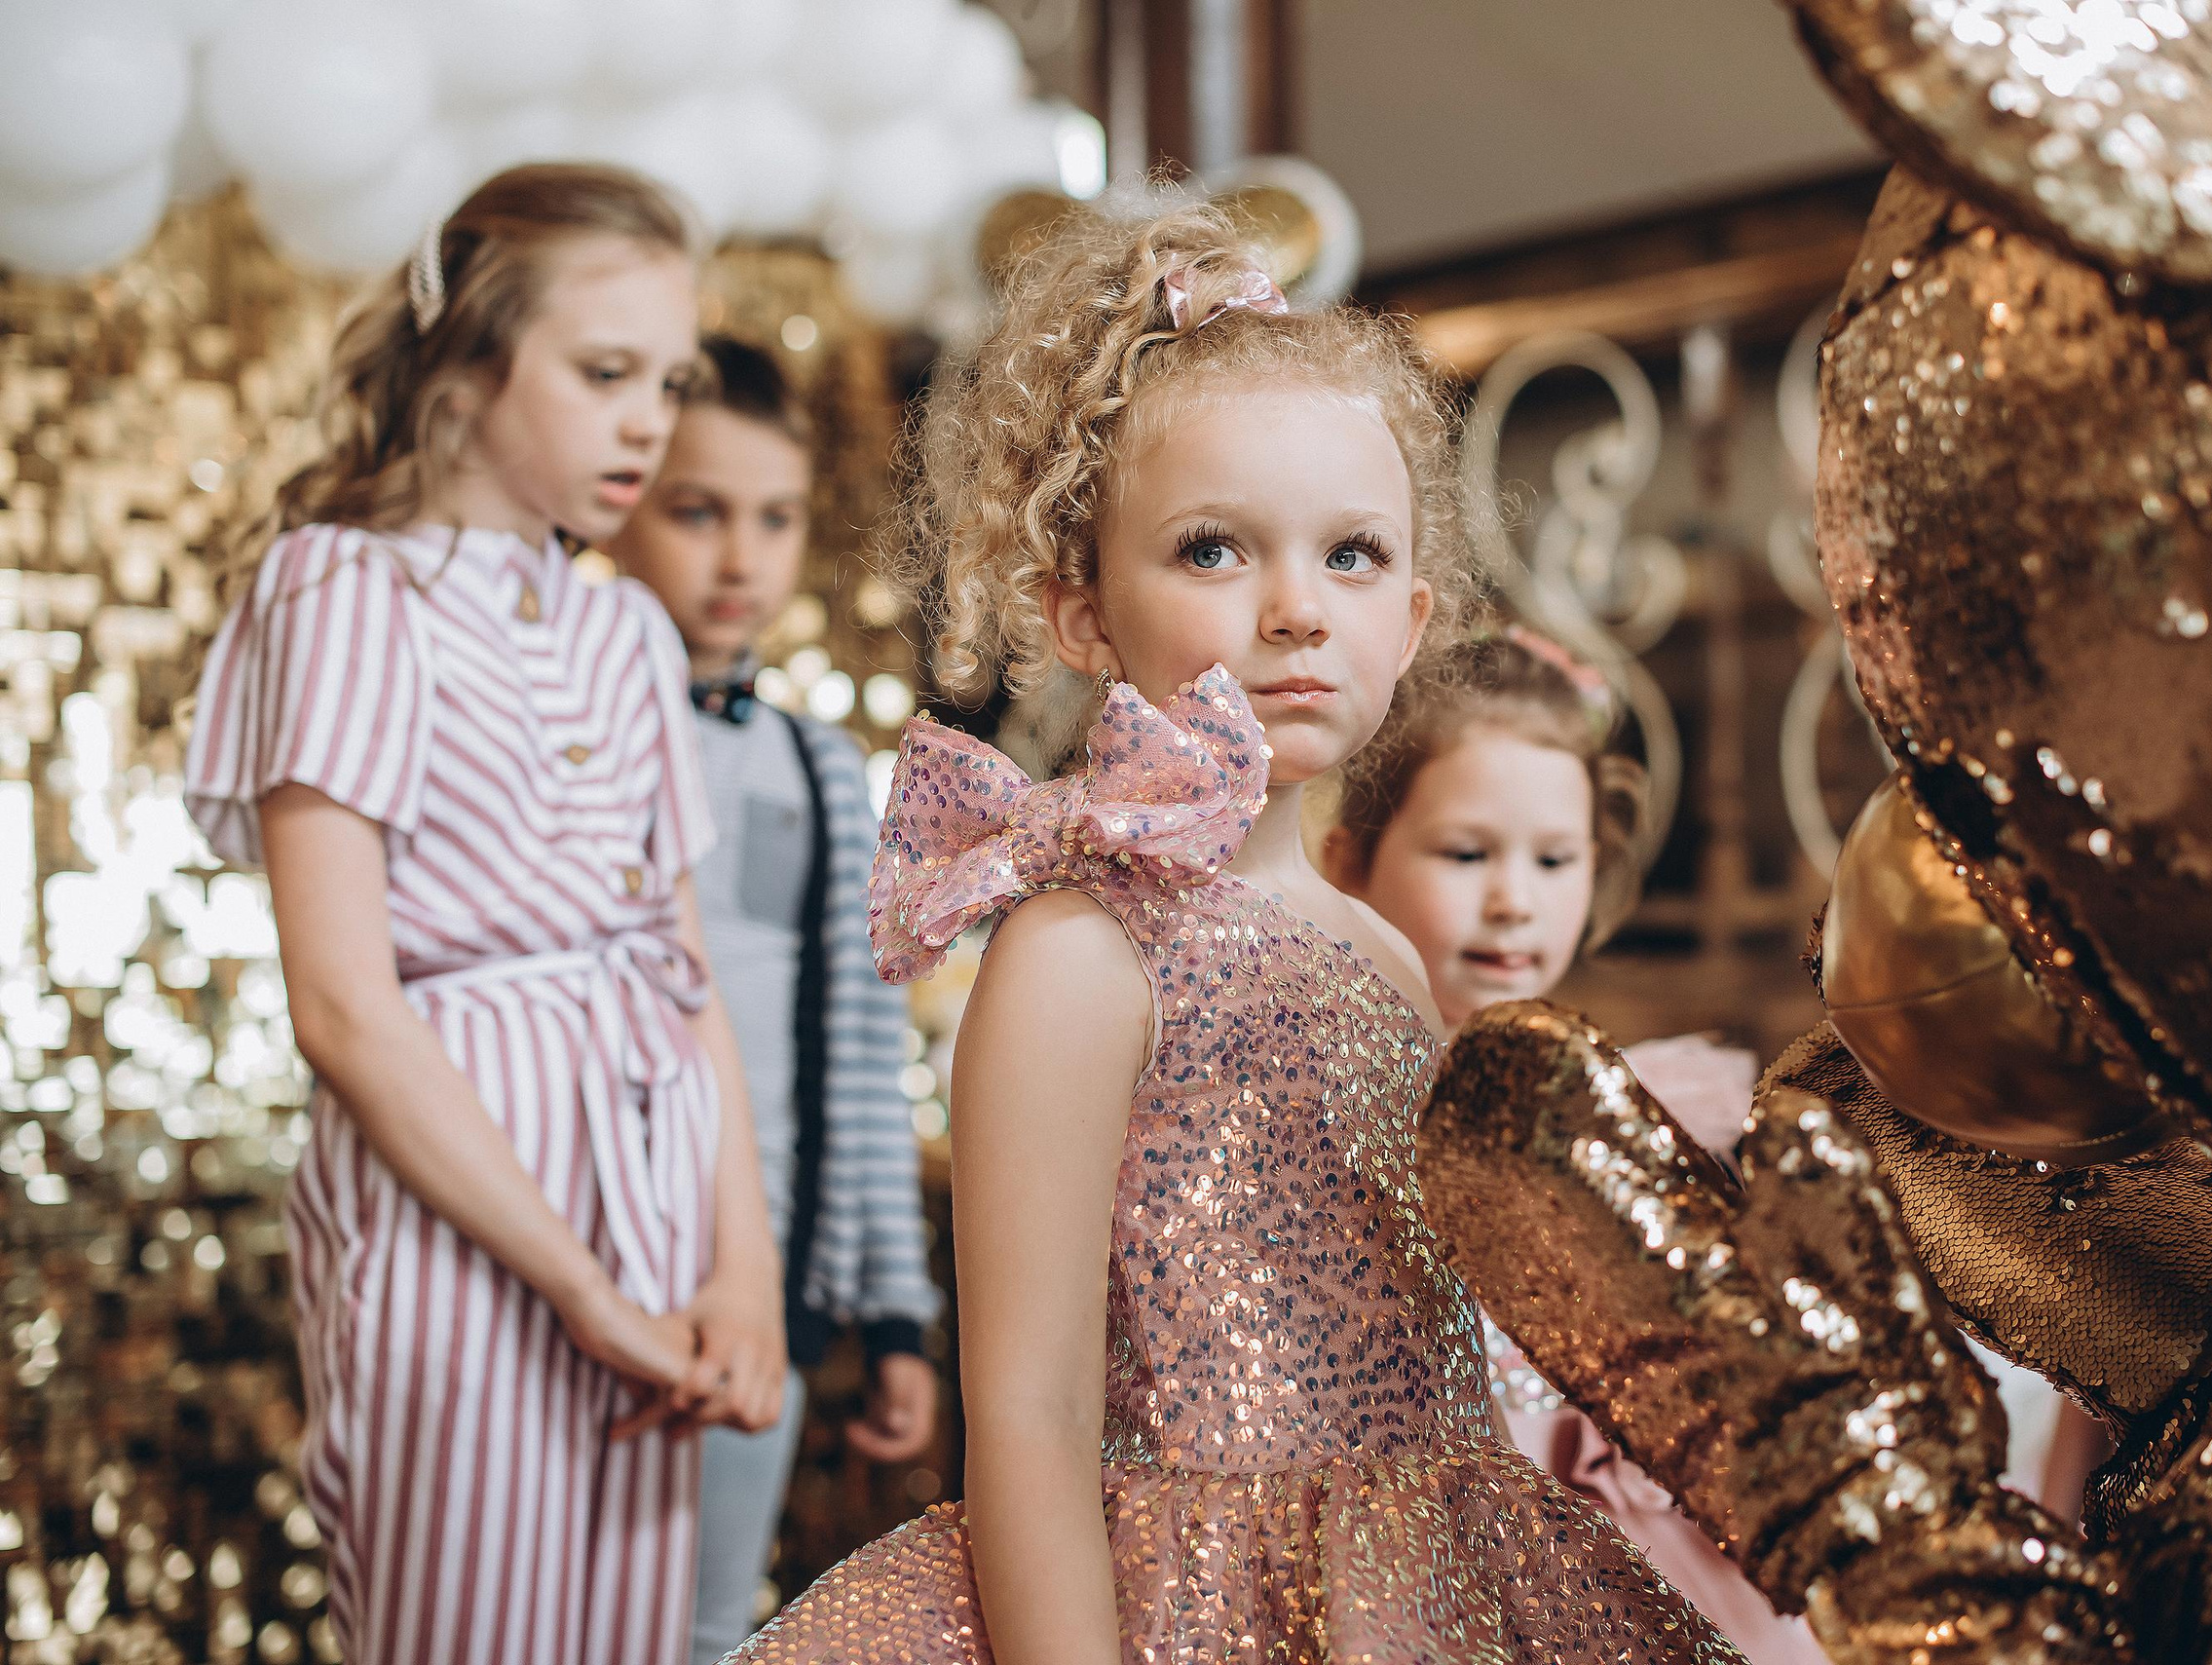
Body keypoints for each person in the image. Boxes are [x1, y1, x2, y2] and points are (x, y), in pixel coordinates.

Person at [730, 204, 1739, 1664]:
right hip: (1187, 1607)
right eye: (1213, 549)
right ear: (1081, 611)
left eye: (1353, 556)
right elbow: (1028, 1413)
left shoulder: (1388, 952)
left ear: (1414, 616)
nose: (1296, 610)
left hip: (1435, 1597)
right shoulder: (1083, 953)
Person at [184, 165, 786, 1665]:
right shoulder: (343, 590)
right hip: (463, 1214)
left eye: (668, 381)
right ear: (464, 369)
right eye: (604, 373)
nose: (648, 423)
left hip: (653, 1193)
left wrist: (744, 1274)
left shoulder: (624, 625)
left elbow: (683, 976)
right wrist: (583, 1292)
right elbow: (343, 1008)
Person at [1323, 624, 1828, 1665]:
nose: (1514, 898)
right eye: (1466, 853)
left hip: (1618, 1559)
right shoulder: (1324, 1117)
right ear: (1349, 860)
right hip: (1410, 1560)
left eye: (1555, 859)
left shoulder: (1637, 1119)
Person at [605, 334, 943, 1664]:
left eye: (775, 517)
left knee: (707, 1631)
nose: (740, 557)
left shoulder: (817, 767)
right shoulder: (570, 738)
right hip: (590, 1264)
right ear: (619, 502)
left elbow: (858, 1054)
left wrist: (894, 1313)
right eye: (698, 512)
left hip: (768, 1286)